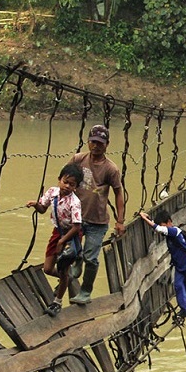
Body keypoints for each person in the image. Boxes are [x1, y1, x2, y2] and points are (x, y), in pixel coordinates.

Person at [67, 125, 126, 305]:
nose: (96, 146)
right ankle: (76, 261)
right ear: (88, 142)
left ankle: (85, 292)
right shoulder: (78, 159)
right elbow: (64, 179)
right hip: (76, 217)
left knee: (91, 258)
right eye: (93, 142)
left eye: (100, 143)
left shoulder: (111, 169)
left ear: (107, 145)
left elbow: (118, 193)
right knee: (71, 251)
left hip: (97, 221)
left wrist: (120, 221)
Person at [26, 163, 84, 317]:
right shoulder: (52, 192)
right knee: (48, 268)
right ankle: (67, 278)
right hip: (57, 232)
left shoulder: (75, 202)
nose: (67, 186)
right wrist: (35, 205)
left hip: (71, 235)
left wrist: (61, 242)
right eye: (65, 182)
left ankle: (57, 302)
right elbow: (43, 209)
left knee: (63, 268)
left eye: (72, 184)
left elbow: (77, 227)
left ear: (76, 187)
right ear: (59, 180)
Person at [139, 210, 186, 318]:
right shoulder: (169, 232)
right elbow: (158, 227)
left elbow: (158, 228)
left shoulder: (175, 231)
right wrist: (148, 219)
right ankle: (185, 308)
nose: (163, 229)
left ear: (169, 222)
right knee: (178, 285)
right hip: (179, 265)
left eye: (164, 225)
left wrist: (144, 217)